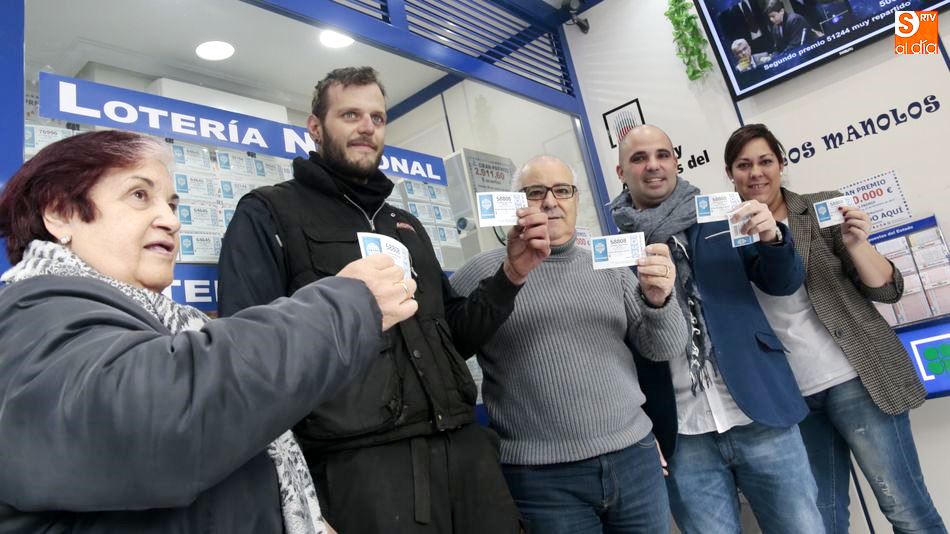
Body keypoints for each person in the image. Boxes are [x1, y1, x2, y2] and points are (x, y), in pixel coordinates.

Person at [0, 130, 418, 533]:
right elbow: (162, 420)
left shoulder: (171, 323)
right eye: (139, 195)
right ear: (60, 213)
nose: (169, 220)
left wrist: (302, 517)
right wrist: (344, 308)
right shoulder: (31, 314)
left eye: (173, 204)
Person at [217, 67, 550, 533]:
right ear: (315, 127)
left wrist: (512, 274)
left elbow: (456, 336)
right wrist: (293, 498)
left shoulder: (405, 224)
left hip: (466, 459)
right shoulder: (269, 212)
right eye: (350, 114)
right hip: (362, 472)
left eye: (377, 116)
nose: (367, 126)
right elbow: (247, 359)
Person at [725, 123, 947, 534]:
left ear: (781, 164)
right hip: (792, 400)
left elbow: (888, 290)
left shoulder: (821, 209)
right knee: (821, 523)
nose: (755, 173)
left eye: (765, 161)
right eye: (743, 165)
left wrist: (859, 244)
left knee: (906, 510)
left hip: (856, 379)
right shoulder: (723, 236)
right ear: (730, 174)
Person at [451, 156, 689, 533]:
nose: (550, 202)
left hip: (634, 459)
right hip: (542, 479)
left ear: (576, 199)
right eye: (535, 192)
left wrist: (659, 301)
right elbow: (448, 351)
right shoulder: (479, 274)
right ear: (518, 203)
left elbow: (663, 348)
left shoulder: (609, 265)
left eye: (562, 190)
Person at [610, 124, 824, 534]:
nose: (653, 165)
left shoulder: (721, 217)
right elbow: (617, 350)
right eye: (639, 158)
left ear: (676, 161)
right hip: (682, 433)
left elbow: (781, 282)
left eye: (662, 154)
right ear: (622, 172)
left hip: (759, 412)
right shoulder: (615, 254)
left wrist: (773, 239)